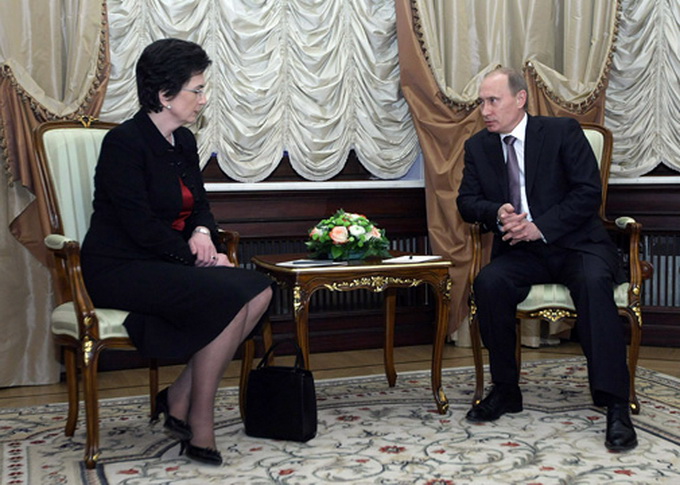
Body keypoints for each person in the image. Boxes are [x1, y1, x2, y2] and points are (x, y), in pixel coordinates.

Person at [81, 38, 273, 465]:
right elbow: (140, 227)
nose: (204, 99)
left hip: (167, 263)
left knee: (259, 290)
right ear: (165, 94)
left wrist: (203, 233)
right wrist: (200, 259)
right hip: (121, 266)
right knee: (228, 295)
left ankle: (180, 395)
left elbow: (199, 204)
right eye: (197, 90)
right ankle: (199, 418)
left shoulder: (183, 140)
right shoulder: (124, 143)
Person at [456, 67, 637, 452]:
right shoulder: (478, 147)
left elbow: (587, 193)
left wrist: (539, 227)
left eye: (493, 101)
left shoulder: (561, 132)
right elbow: (466, 203)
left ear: (520, 99)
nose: (485, 110)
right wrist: (497, 213)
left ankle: (615, 404)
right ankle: (506, 389)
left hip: (577, 245)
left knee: (593, 283)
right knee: (489, 282)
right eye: (481, 102)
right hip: (522, 253)